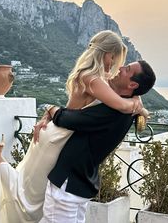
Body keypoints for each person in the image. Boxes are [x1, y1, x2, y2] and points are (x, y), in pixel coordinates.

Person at [0, 30, 150, 222]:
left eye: (125, 67)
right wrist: (136, 105)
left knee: (27, 191)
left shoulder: (92, 76)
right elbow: (120, 104)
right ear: (108, 55)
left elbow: (69, 107)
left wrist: (46, 114)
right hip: (59, 137)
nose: (119, 66)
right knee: (28, 200)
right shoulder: (94, 80)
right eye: (117, 59)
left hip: (55, 133)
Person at [36, 60, 156, 223]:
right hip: (81, 183)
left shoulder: (113, 112)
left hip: (68, 183)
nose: (120, 68)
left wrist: (50, 108)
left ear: (133, 84)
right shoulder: (129, 109)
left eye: (127, 69)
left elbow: (66, 119)